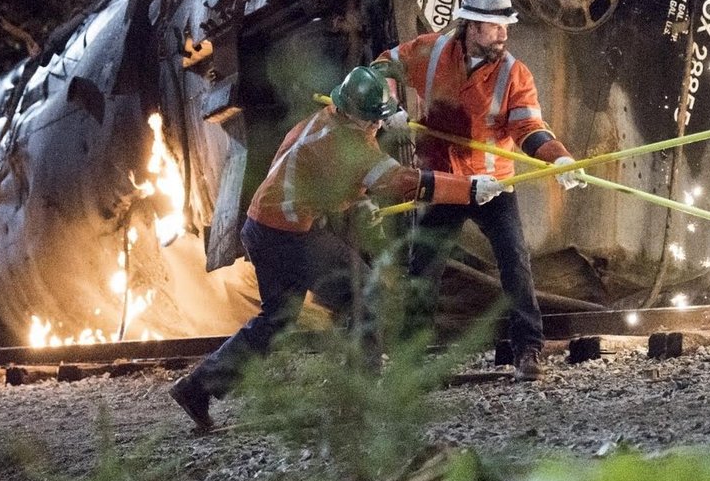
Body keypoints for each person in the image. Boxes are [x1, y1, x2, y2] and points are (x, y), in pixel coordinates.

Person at [170, 65, 506, 431]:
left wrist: (358, 193)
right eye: (374, 120)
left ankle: (196, 388)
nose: (378, 126)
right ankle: (362, 398)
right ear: (356, 116)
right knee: (367, 296)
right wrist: (470, 189)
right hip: (289, 235)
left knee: (276, 320)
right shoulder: (347, 145)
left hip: (262, 227)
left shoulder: (321, 119)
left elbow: (326, 178)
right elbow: (402, 182)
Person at [372, 0, 586, 381]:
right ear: (471, 26)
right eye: (494, 26)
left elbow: (528, 130)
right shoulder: (431, 52)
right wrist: (388, 107)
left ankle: (528, 351)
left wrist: (561, 160)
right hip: (444, 183)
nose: (503, 33)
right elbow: (383, 67)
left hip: (493, 188)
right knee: (424, 269)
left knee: (515, 265)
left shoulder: (514, 74)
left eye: (506, 26)